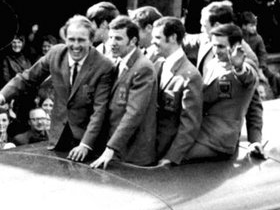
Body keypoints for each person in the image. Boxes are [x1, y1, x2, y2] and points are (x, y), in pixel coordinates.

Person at [0, 15, 115, 161]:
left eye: (81, 40)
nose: (75, 45)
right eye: (71, 39)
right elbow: (26, 78)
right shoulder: (56, 53)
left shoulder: (104, 66)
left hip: (88, 142)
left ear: (91, 41)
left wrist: (85, 145)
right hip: (58, 137)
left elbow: (100, 110)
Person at [175, 23, 261, 163]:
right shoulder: (212, 64)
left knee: (177, 156)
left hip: (219, 140)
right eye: (214, 45)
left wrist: (238, 67)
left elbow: (248, 78)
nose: (216, 51)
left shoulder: (245, 66)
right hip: (200, 130)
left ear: (236, 46)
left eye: (221, 46)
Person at [90, 17, 157, 170]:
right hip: (118, 150)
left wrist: (111, 148)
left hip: (131, 153)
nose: (112, 42)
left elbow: (134, 113)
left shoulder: (142, 68)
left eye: (118, 38)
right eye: (111, 37)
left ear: (133, 41)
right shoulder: (119, 61)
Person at [151, 17, 204, 167]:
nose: (152, 42)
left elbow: (190, 124)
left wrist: (172, 157)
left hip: (165, 153)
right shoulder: (158, 64)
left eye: (157, 37)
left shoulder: (190, 76)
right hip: (148, 148)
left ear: (173, 38)